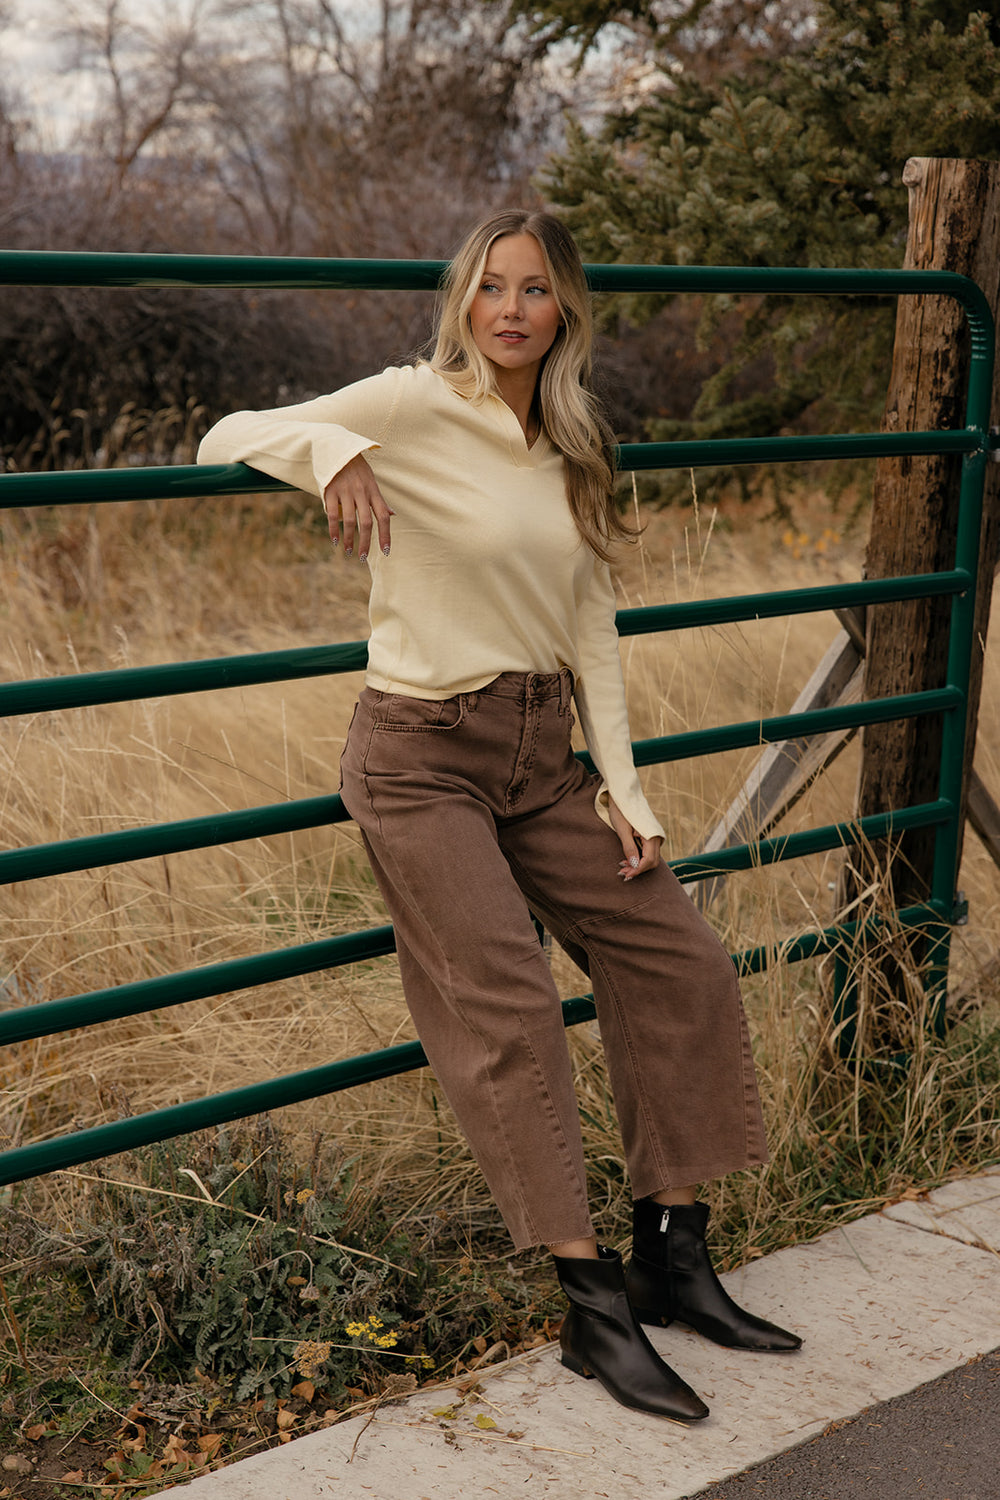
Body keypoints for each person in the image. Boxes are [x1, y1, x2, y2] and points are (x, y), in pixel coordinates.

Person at [198, 208, 801, 1423]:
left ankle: (672, 1255)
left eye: (533, 289)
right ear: (461, 303)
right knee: (512, 1004)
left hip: (542, 756)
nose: (510, 309)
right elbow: (227, 432)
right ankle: (590, 1307)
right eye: (488, 288)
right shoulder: (414, 401)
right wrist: (333, 453)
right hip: (420, 757)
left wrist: (624, 787)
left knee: (679, 962)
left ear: (565, 307)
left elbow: (590, 628)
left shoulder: (574, 440)